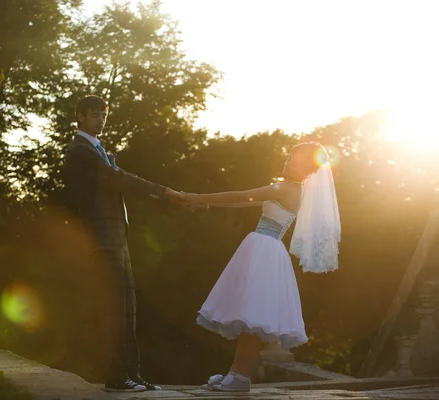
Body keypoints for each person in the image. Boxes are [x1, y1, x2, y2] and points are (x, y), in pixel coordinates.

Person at [183, 142, 341, 392]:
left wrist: (196, 197)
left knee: (252, 316)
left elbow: (239, 195)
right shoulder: (289, 190)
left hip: (265, 250)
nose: (288, 163)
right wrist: (204, 204)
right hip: (264, 249)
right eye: (288, 158)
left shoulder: (286, 189)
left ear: (308, 171)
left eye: (295, 162)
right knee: (249, 315)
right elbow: (242, 201)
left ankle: (239, 377)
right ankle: (236, 374)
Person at [63, 95, 183, 392]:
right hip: (101, 237)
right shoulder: (80, 151)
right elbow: (119, 180)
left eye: (103, 115)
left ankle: (133, 373)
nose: (100, 120)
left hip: (117, 238)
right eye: (94, 115)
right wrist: (164, 192)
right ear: (79, 116)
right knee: (116, 309)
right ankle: (117, 377)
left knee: (129, 309)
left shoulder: (98, 149)